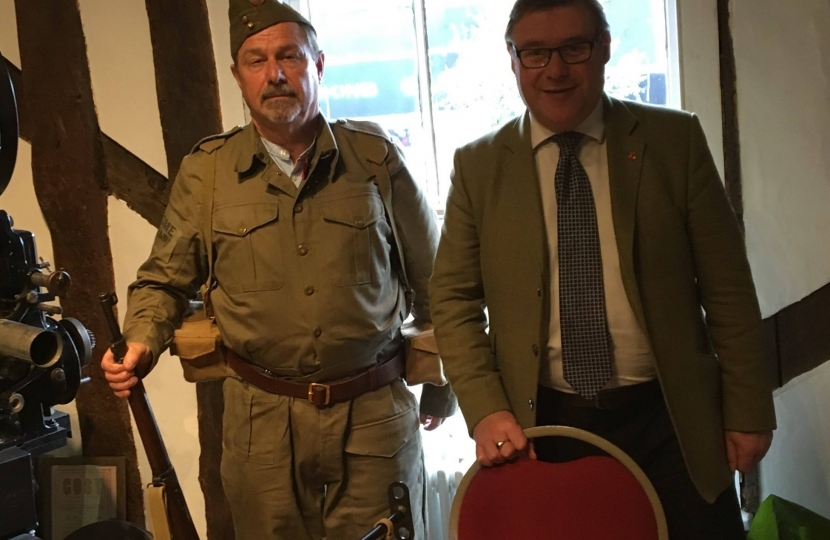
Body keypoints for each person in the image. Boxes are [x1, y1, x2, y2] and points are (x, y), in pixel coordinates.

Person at [101, 1, 455, 538]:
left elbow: (438, 284)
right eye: (256, 60)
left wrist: (442, 384)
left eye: (289, 56)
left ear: (318, 64)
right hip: (259, 429)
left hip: (374, 421)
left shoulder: (375, 159)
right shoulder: (209, 173)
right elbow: (162, 281)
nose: (275, 74)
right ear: (237, 76)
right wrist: (142, 340)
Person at [429, 0, 775, 537]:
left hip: (672, 418)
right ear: (513, 59)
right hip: (544, 423)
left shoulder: (672, 142)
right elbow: (452, 301)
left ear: (605, 46)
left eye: (574, 47)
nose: (556, 69)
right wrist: (485, 408)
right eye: (536, 52)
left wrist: (749, 406)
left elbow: (728, 286)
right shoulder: (479, 166)